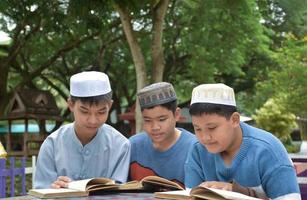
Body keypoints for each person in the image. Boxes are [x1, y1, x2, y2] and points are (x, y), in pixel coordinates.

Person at [184, 83, 300, 199]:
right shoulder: (197, 150)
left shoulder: (268, 151)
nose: (205, 137)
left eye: (212, 128)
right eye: (197, 128)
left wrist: (237, 193)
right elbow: (192, 196)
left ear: (234, 120)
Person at [34, 71, 131, 189]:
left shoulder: (121, 146)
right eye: (84, 111)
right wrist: (53, 189)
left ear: (109, 106)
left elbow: (119, 193)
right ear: (70, 104)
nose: (93, 120)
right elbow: (40, 190)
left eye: (101, 112)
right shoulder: (52, 144)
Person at [129, 82, 197, 187]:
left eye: (162, 119)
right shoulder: (132, 146)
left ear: (177, 114)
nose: (155, 127)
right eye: (147, 120)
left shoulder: (195, 149)